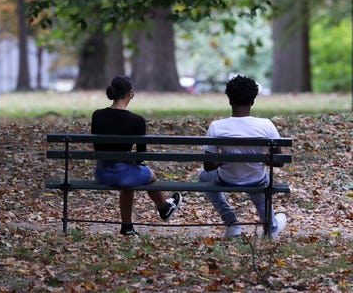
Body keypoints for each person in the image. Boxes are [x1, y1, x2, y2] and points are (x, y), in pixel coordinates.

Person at [91, 75, 182, 236]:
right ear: (129, 94)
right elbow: (141, 157)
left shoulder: (97, 115)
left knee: (129, 176)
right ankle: (164, 207)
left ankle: (128, 227)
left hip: (101, 173)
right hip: (122, 174)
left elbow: (98, 147)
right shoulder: (137, 120)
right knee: (149, 175)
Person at [199, 75, 287, 238]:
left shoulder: (216, 127)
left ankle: (231, 223)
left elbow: (208, 166)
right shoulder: (266, 125)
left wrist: (225, 159)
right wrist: (262, 159)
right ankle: (271, 227)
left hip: (227, 178)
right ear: (253, 101)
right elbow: (280, 162)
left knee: (203, 177)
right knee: (261, 188)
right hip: (257, 179)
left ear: (230, 100)